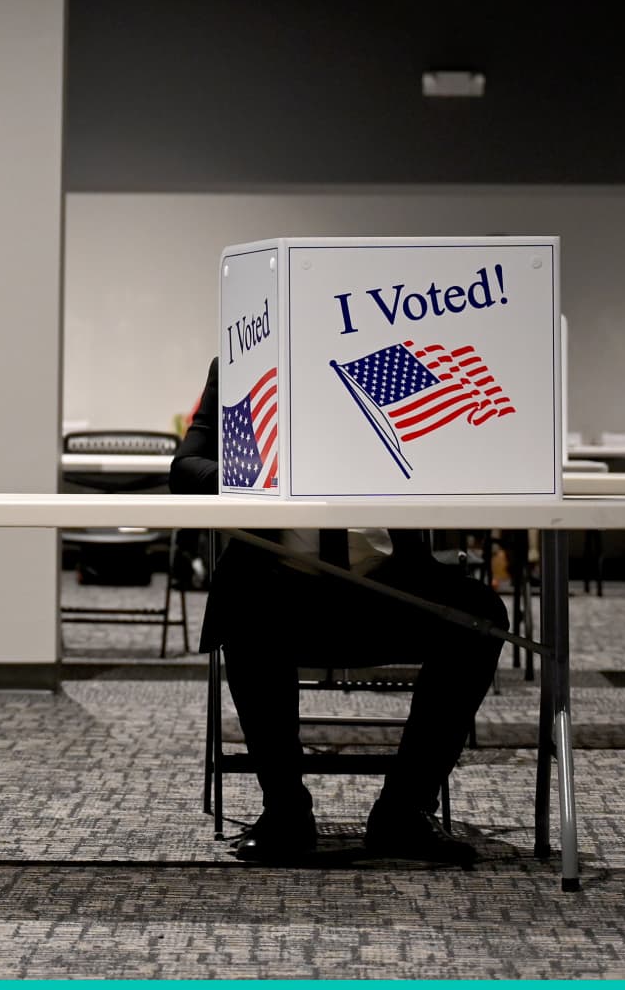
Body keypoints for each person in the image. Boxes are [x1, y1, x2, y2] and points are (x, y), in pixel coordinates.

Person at [171, 357, 507, 866]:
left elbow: (459, 449)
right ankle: (285, 812)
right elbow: (185, 469)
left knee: (479, 615)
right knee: (246, 610)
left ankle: (404, 811)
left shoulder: (390, 357)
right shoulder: (245, 364)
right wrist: (268, 475)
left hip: (388, 589)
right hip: (279, 590)